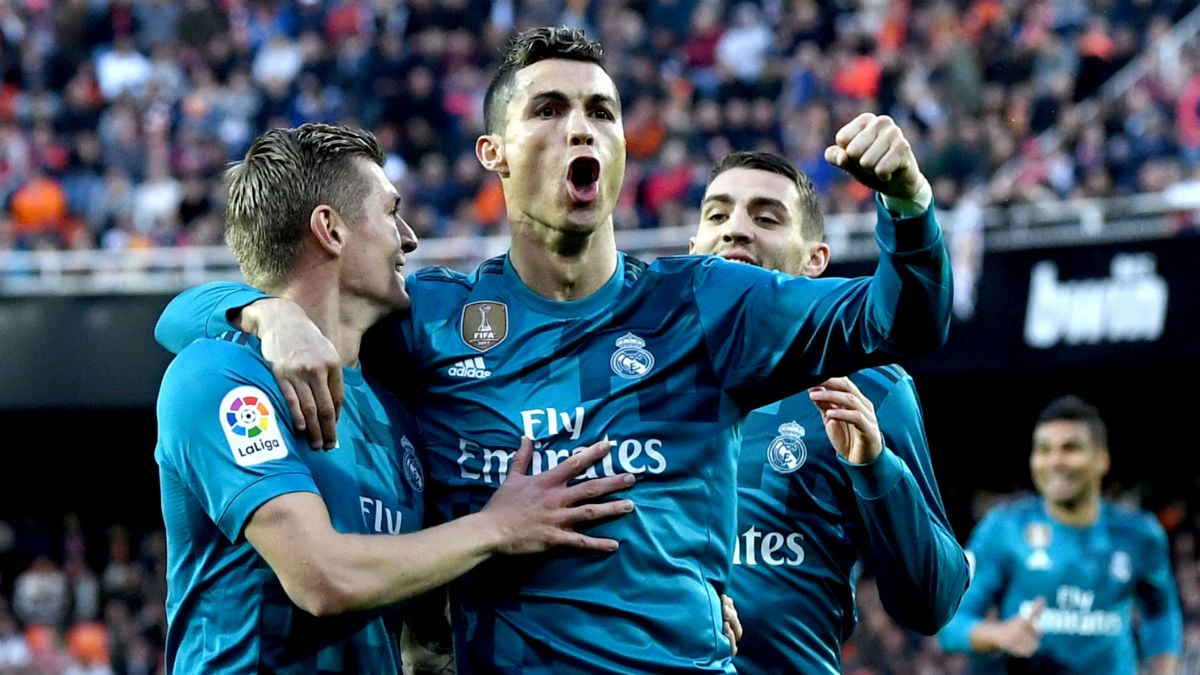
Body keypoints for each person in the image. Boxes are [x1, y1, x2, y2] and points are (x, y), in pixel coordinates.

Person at [154, 26, 953, 674]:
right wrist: (261, 310)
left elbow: (902, 319)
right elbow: (189, 330)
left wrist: (909, 206)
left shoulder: (710, 300)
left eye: (601, 112)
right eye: (548, 108)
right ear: (493, 153)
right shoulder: (428, 321)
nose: (581, 126)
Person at [154, 122, 636, 675]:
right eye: (390, 212)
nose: (409, 237)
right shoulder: (220, 375)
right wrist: (496, 527)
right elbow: (323, 579)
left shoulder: (397, 417)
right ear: (330, 230)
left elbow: (429, 606)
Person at [689, 150, 970, 674]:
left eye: (766, 217)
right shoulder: (638, 376)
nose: (735, 230)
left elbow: (933, 600)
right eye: (718, 215)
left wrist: (876, 465)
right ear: (693, 248)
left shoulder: (867, 387)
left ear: (814, 260)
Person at [937, 394, 1183, 675]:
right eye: (1043, 449)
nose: (1055, 460)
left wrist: (1164, 669)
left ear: (1102, 460)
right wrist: (999, 635)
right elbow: (951, 625)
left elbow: (1161, 613)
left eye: (1070, 448)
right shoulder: (1003, 529)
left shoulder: (1140, 535)